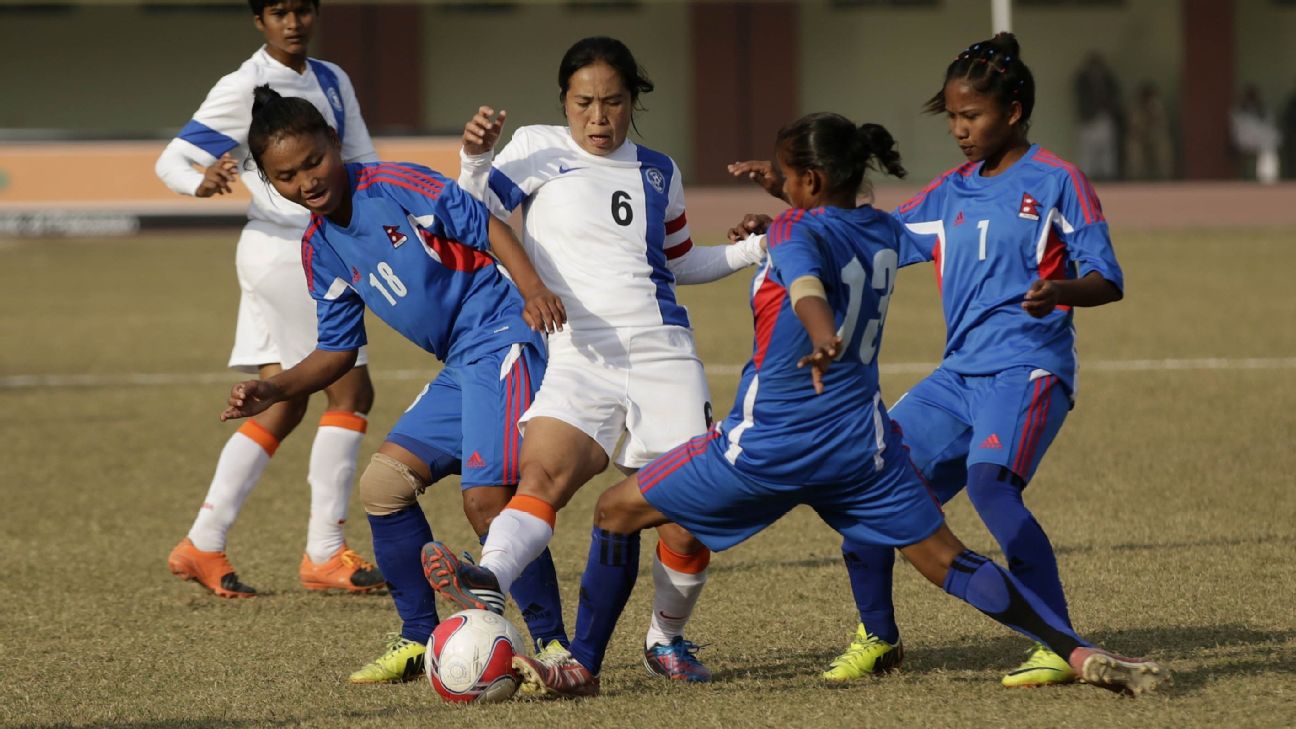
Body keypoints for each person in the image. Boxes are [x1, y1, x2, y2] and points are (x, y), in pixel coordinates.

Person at [509, 112, 1165, 699]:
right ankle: (1075, 650)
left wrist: (822, 334)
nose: (784, 187)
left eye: (790, 176)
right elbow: (832, 236)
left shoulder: (796, 228)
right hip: (862, 450)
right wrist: (785, 197)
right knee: (946, 558)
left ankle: (583, 667)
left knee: (615, 511)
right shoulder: (882, 226)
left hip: (767, 445)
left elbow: (805, 285)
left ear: (812, 183)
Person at [729, 33, 1128, 689]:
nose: (959, 129)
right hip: (958, 375)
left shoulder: (1059, 182)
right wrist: (790, 200)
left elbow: (1108, 277)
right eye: (952, 117)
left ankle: (1056, 641)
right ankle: (879, 639)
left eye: (971, 116)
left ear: (1016, 110)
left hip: (1029, 367)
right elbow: (866, 235)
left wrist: (1060, 289)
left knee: (992, 485)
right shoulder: (949, 192)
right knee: (869, 482)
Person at [420, 36, 767, 682]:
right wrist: (473, 157)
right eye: (584, 103)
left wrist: (749, 251)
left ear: (633, 101)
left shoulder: (660, 169)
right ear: (564, 101)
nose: (599, 118)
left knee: (687, 520)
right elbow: (474, 213)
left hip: (662, 354)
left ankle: (666, 638)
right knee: (542, 475)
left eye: (612, 102)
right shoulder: (535, 147)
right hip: (579, 353)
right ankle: (489, 579)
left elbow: (679, 261)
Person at [221, 86, 571, 684]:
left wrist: (533, 288)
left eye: (313, 161)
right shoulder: (318, 248)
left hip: (505, 332)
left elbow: (486, 228)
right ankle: (416, 637)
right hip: (463, 359)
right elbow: (336, 352)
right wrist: (275, 390)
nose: (306, 181)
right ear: (269, 183)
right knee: (383, 487)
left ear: (335, 145)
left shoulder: (394, 184)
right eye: (286, 176)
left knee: (487, 500)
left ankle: (555, 646)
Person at [156, 0, 382, 599]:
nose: (293, 21)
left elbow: (361, 160)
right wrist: (196, 181)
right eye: (278, 11)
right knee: (351, 389)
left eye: (301, 8)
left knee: (283, 403)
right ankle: (325, 554)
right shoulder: (245, 84)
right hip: (287, 254)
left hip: (301, 249)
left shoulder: (332, 79)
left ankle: (203, 542)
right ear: (258, 20)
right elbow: (173, 159)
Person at [1074, 52, 1121, 180]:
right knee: (1087, 151)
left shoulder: (1109, 80)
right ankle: (1086, 178)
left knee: (1107, 150)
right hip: (1087, 119)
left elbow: (1115, 98)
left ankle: (1108, 176)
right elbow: (1081, 100)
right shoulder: (1082, 81)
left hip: (1104, 117)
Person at [1231, 84, 1281, 184]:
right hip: (1244, 140)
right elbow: (1237, 127)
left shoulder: (1263, 110)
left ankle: (1267, 179)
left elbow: (1269, 124)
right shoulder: (1238, 110)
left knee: (1269, 146)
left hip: (1262, 141)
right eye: (1250, 95)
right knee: (1268, 142)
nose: (1252, 98)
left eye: (1254, 95)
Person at [1124, 82, 1174, 180]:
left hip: (1154, 136)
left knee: (1164, 144)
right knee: (1133, 147)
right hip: (1139, 138)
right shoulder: (1134, 107)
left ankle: (1166, 177)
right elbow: (1133, 127)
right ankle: (1135, 178)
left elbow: (1163, 125)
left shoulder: (1157, 106)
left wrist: (1153, 113)